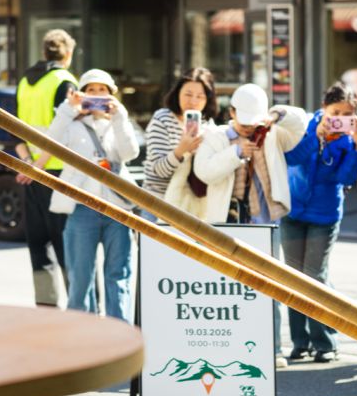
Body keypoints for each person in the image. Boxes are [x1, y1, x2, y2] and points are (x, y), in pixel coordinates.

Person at [191, 83, 306, 368]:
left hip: (266, 222)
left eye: (252, 122)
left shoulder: (272, 133)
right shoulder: (216, 136)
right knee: (226, 288)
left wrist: (276, 114)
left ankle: (272, 349)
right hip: (226, 222)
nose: (247, 128)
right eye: (243, 122)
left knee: (270, 287)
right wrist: (235, 153)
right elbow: (203, 172)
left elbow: (300, 123)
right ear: (231, 113)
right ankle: (228, 347)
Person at [283, 83, 357, 362]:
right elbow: (291, 158)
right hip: (293, 211)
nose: (339, 119)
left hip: (325, 214)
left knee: (314, 276)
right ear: (323, 109)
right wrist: (316, 135)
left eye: (346, 114)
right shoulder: (305, 125)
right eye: (335, 112)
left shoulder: (348, 141)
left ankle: (325, 342)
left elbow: (345, 178)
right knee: (292, 277)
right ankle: (300, 341)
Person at [48, 69, 139, 322]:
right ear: (82, 94)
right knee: (80, 278)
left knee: (118, 275)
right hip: (81, 208)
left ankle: (119, 334)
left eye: (102, 90)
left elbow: (130, 153)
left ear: (112, 95)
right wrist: (68, 108)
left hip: (117, 209)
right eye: (91, 90)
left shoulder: (118, 122)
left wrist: (119, 116)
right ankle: (82, 335)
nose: (97, 95)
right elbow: (50, 142)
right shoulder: (72, 124)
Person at [14, 29, 79, 307]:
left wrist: (29, 165)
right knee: (67, 245)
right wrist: (37, 167)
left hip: (33, 174)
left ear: (43, 52)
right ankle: (78, 307)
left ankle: (46, 308)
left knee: (39, 245)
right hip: (58, 175)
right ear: (68, 53)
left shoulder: (25, 83)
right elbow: (64, 133)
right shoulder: (65, 81)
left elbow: (15, 130)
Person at [141, 67, 217, 220]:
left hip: (190, 208)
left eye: (200, 96)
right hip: (157, 204)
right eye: (188, 94)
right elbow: (159, 171)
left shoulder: (207, 127)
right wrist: (181, 150)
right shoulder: (162, 119)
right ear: (177, 93)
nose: (193, 101)